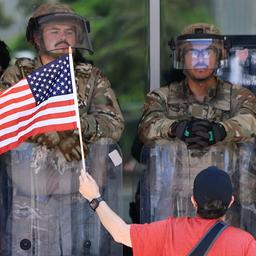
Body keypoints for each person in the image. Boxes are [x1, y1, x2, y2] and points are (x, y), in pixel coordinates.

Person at [0, 3, 124, 255]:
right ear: (36, 37)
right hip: (30, 199)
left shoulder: (91, 77)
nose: (63, 37)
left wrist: (78, 124)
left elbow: (114, 123)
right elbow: (5, 121)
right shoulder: (18, 75)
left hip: (79, 199)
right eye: (54, 30)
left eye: (69, 31)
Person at [134, 23, 256, 232]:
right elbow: (147, 126)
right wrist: (176, 128)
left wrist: (220, 130)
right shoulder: (162, 96)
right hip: (174, 207)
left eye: (208, 51)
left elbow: (251, 120)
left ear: (219, 57)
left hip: (226, 208)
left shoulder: (238, 95)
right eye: (192, 52)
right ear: (182, 57)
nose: (200, 58)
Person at [79, 166, 256, 255]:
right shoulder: (246, 244)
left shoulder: (170, 230)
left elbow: (120, 233)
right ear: (231, 201)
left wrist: (94, 197)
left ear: (193, 201)